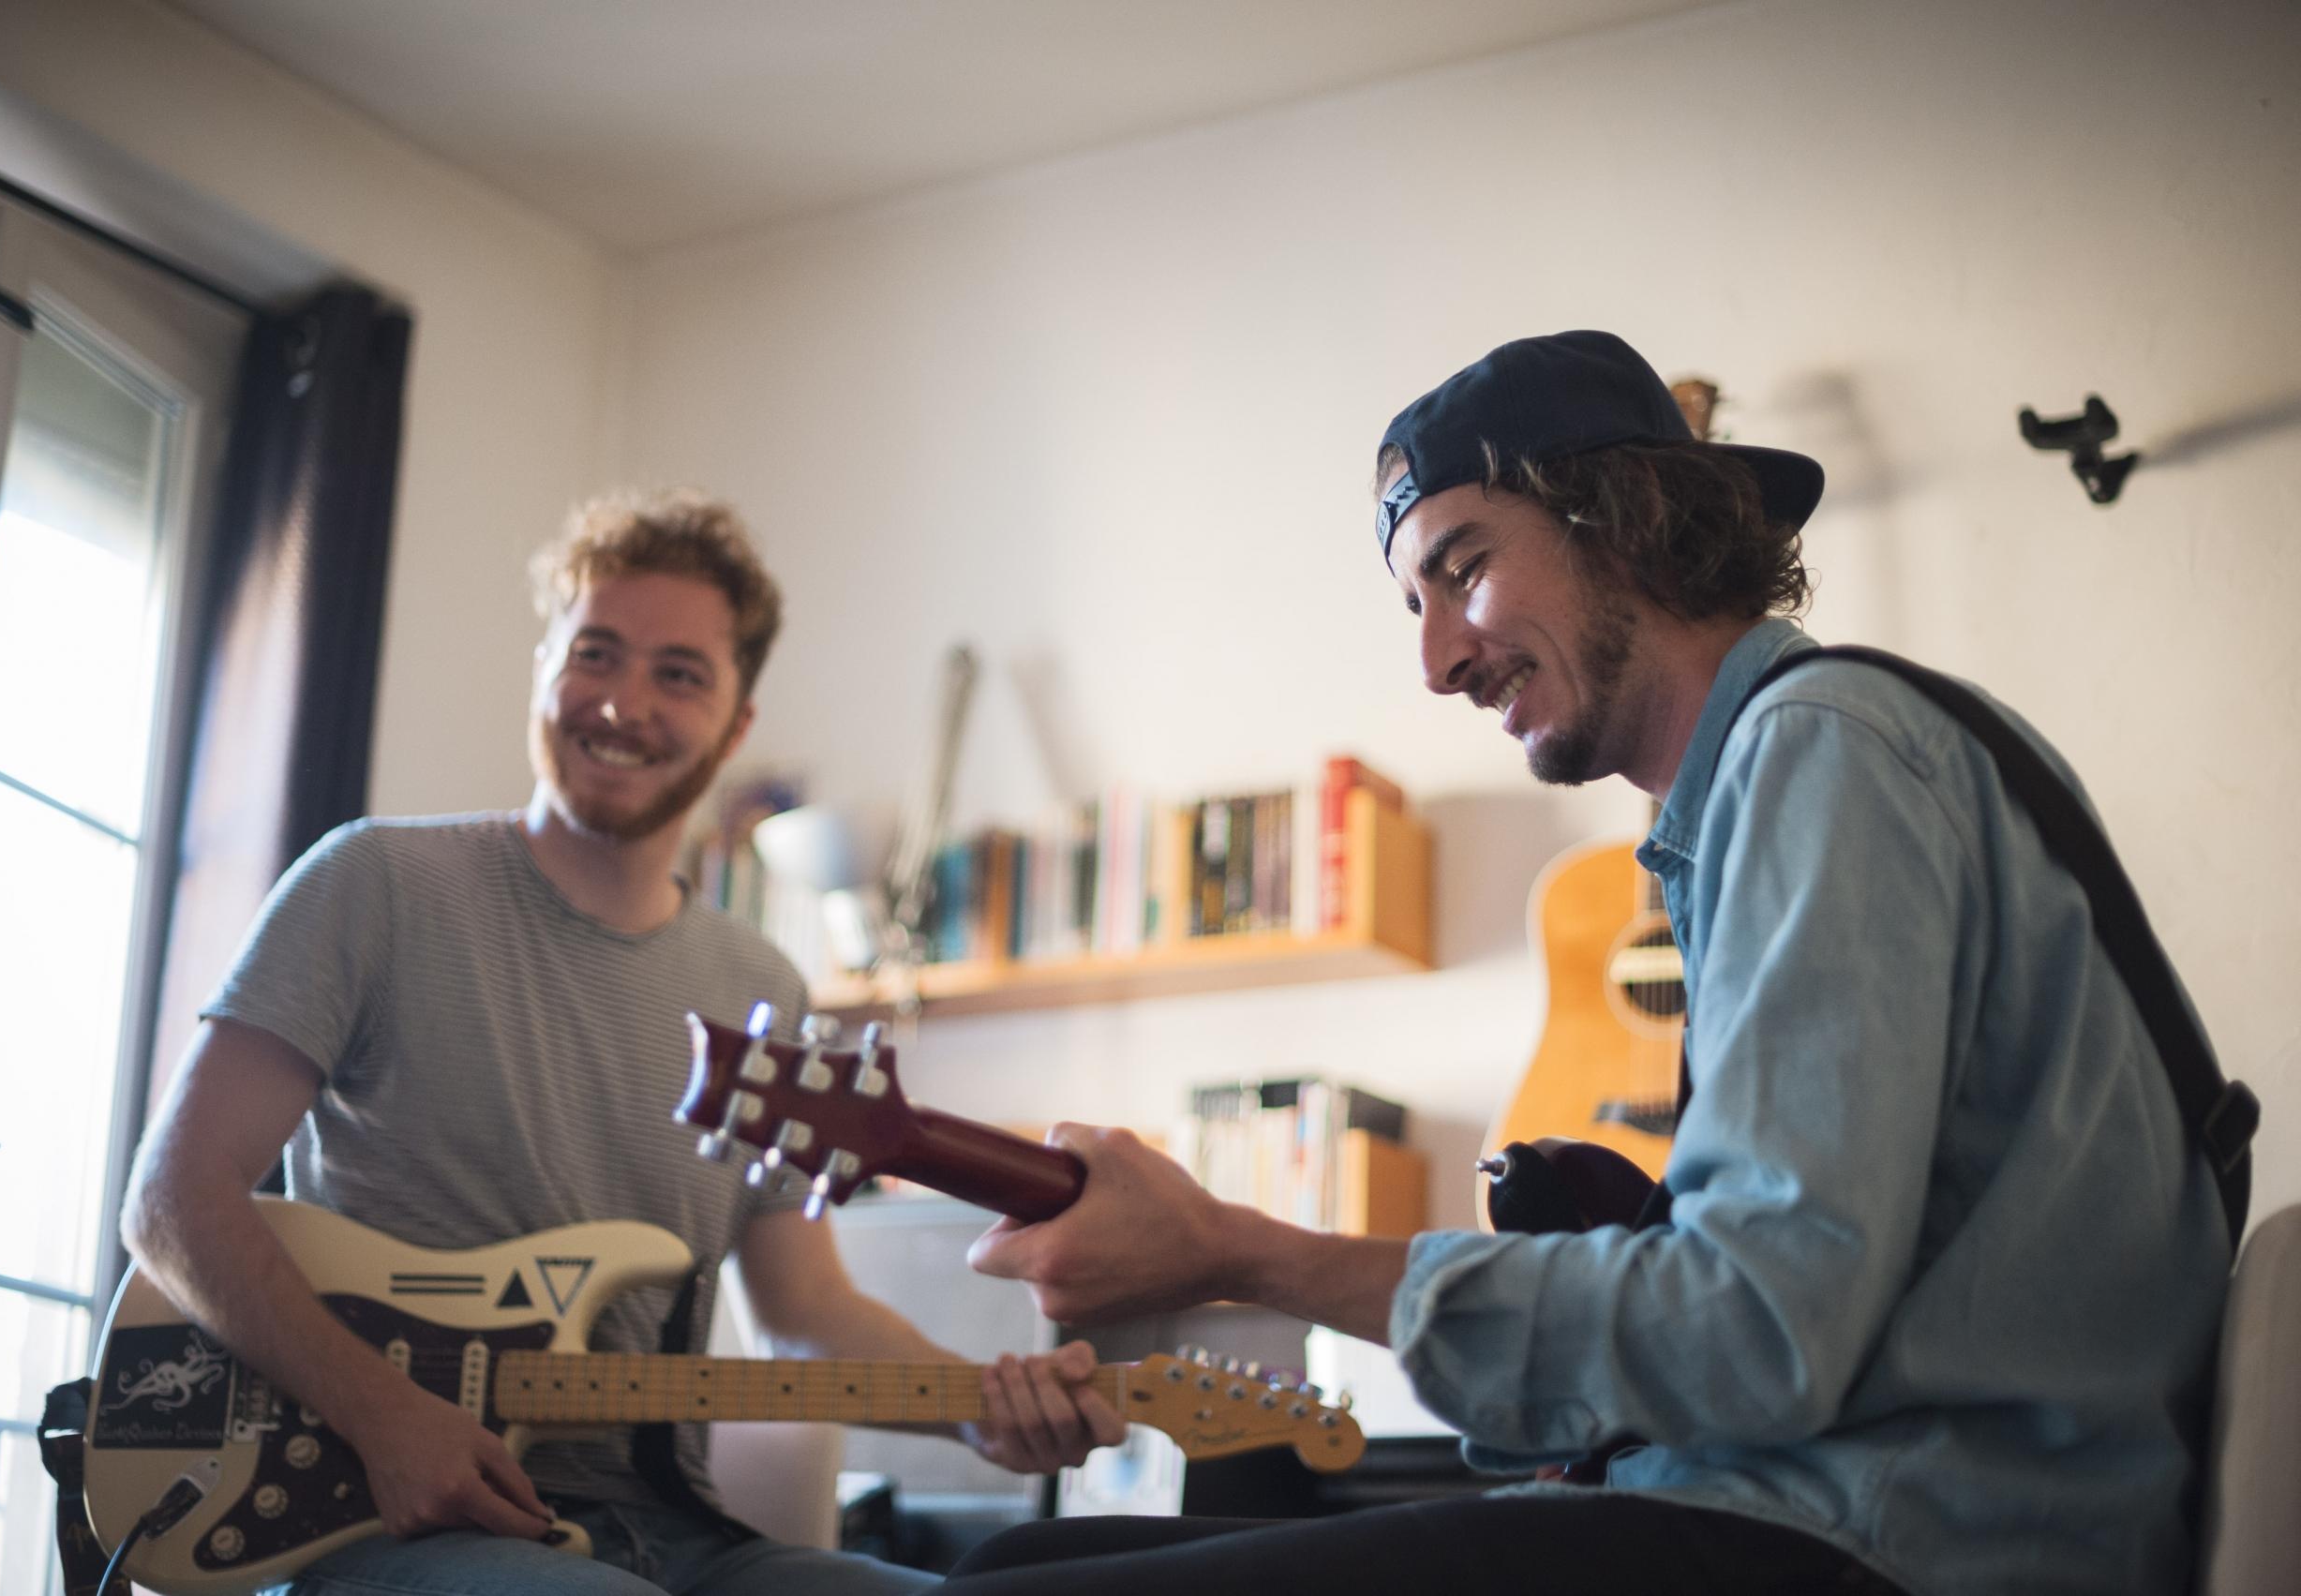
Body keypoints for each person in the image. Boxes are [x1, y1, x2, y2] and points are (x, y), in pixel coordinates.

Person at [958, 331, 2234, 1596]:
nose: (1438, 660)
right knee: (1027, 1548)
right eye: (1417, 604)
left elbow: (1756, 1326)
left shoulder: (1824, 750)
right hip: (1826, 1502)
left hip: (1898, 1540)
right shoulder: (1798, 771)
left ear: (1621, 517)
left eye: (1462, 570)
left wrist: (1237, 1247)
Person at [122, 489, 1124, 1596]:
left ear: (737, 725)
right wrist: (387, 1416)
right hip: (380, 1519)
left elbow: (807, 1313)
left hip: (679, 1536)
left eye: (679, 673)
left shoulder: (764, 991)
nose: (622, 701)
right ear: (546, 664)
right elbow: (172, 1199)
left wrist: (983, 1409)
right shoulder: (374, 882)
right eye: (594, 653)